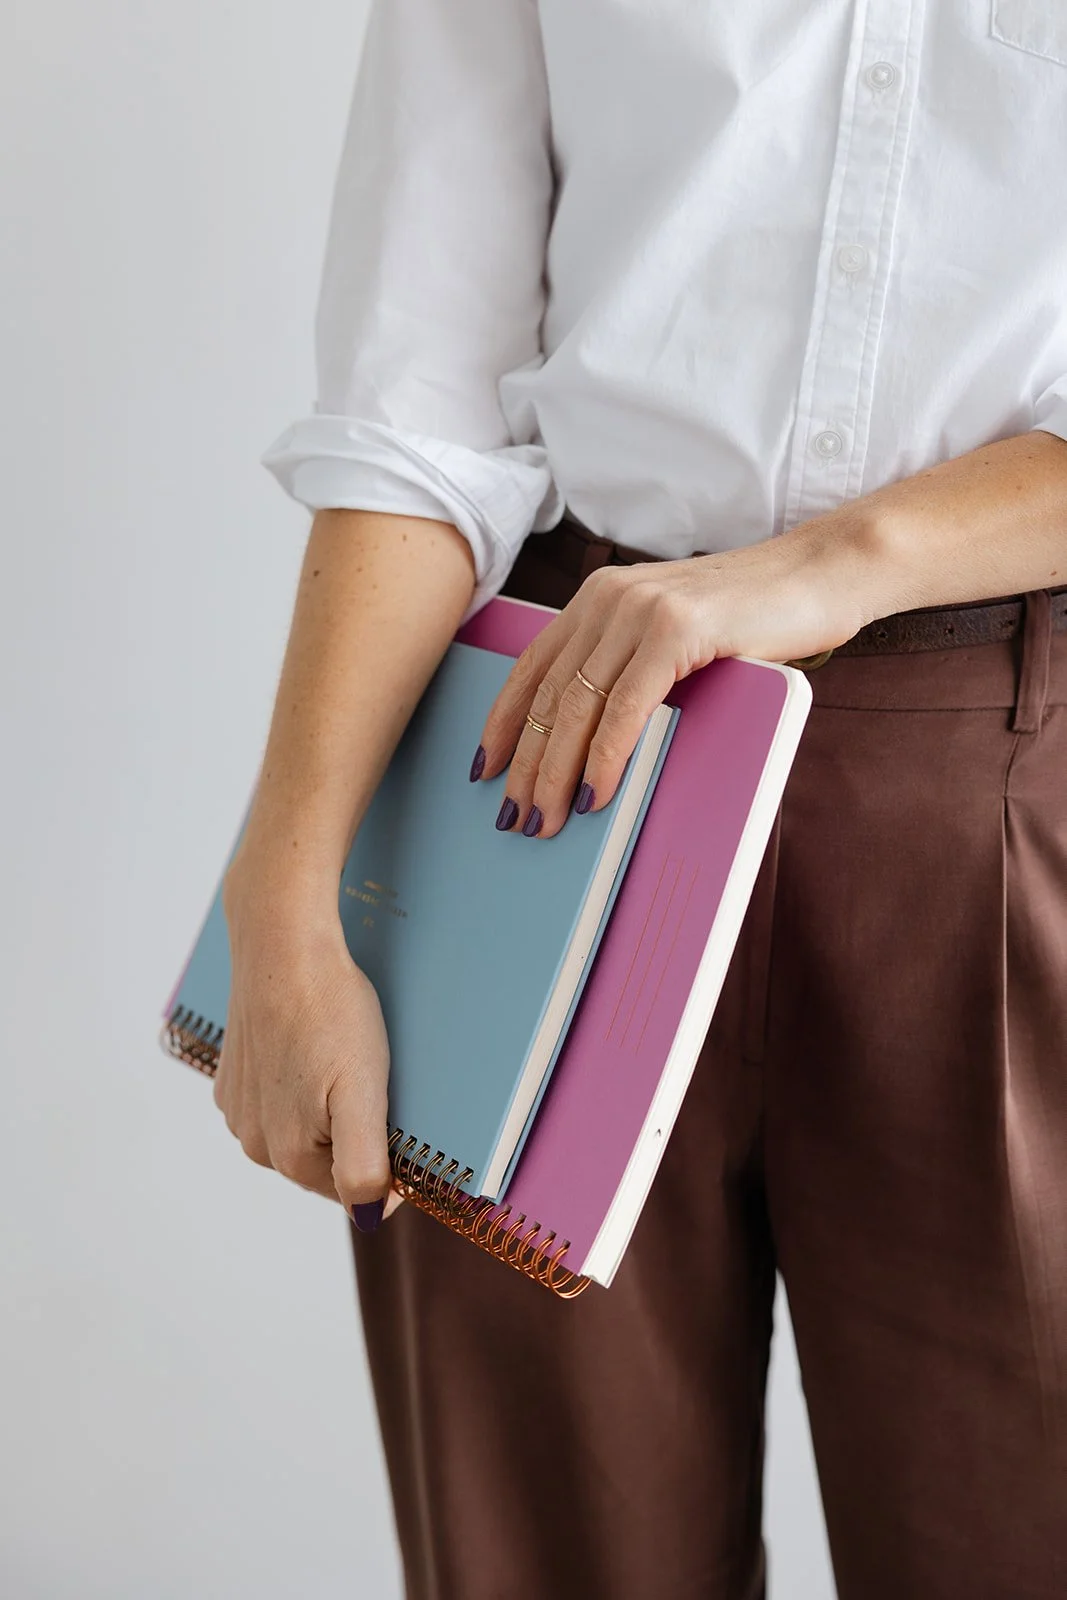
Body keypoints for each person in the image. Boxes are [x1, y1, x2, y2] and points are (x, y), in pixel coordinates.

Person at [213, 2, 1067, 1595]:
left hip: (1001, 773)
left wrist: (833, 563)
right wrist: (287, 890)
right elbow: (416, 411)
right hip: (545, 765)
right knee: (546, 1554)